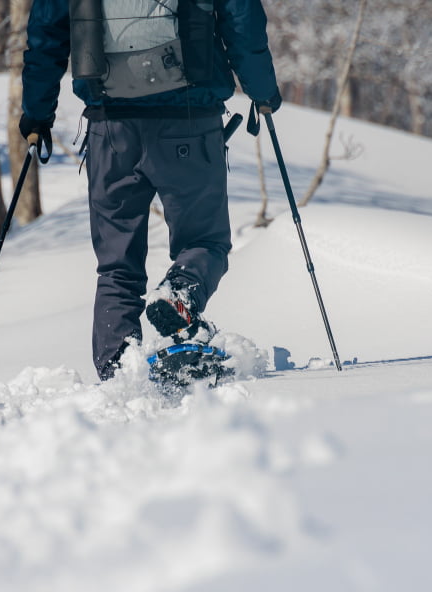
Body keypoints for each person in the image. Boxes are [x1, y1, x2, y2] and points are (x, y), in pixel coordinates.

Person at [20, 0, 282, 380]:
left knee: (117, 266)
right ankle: (181, 291)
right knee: (205, 242)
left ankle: (119, 371)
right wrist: (262, 92)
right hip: (189, 120)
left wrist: (37, 113)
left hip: (110, 127)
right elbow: (242, 20)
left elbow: (46, 33)